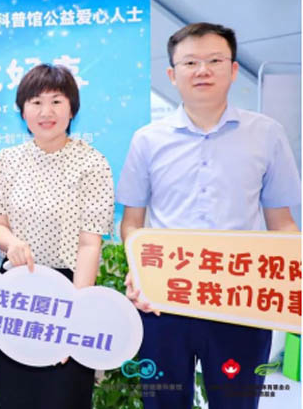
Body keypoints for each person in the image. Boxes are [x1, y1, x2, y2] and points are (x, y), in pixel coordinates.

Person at [117, 22, 300, 409]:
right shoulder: (147, 140)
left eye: (214, 60)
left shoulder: (267, 134)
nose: (202, 70)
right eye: (190, 63)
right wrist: (139, 269)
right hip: (164, 299)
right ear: (172, 75)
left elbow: (281, 222)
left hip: (240, 301)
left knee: (236, 403)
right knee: (163, 402)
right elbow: (132, 221)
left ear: (232, 69)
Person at [0, 64, 114, 408]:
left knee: (64, 393)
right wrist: (11, 243)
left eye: (56, 101)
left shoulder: (92, 163)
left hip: (70, 289)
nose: (46, 112)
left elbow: (90, 244)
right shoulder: (7, 160)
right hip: (17, 293)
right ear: (22, 110)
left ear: (72, 109)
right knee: (15, 395)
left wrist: (75, 314)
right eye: (36, 102)